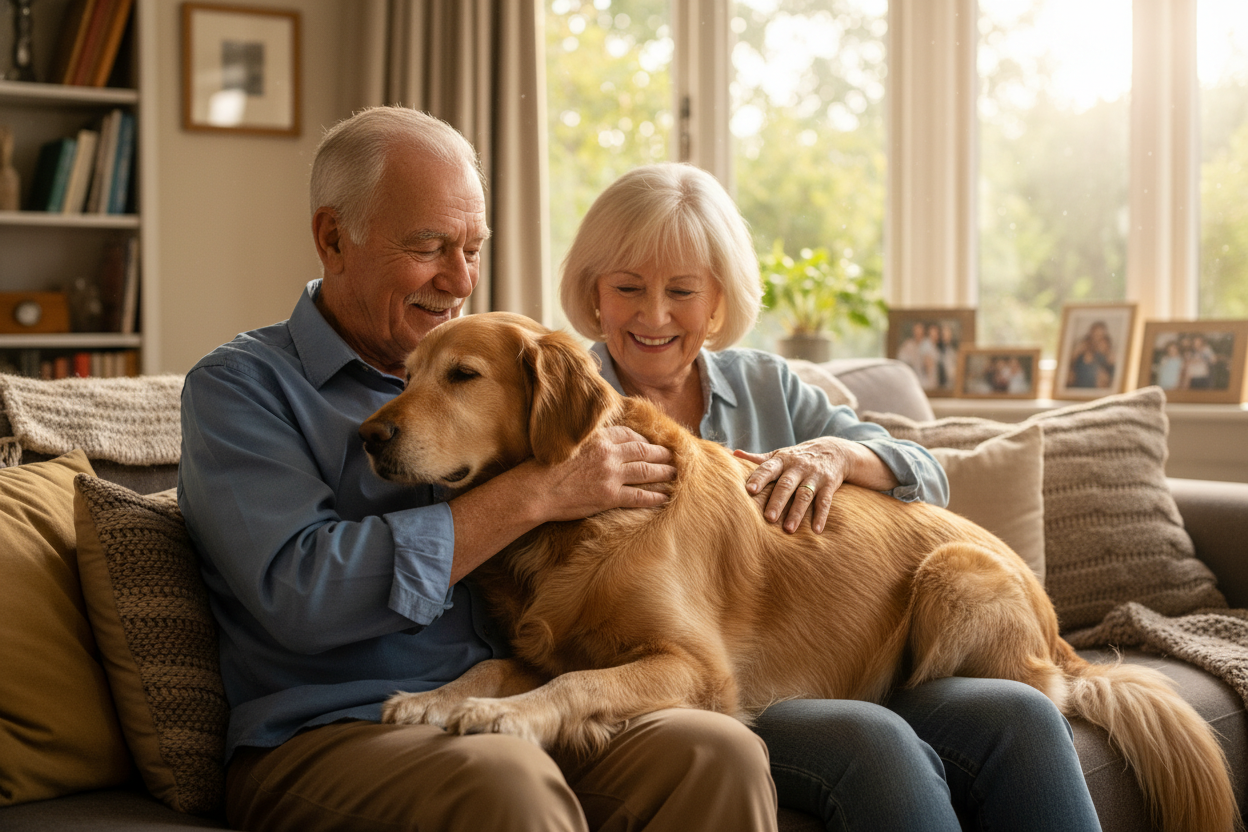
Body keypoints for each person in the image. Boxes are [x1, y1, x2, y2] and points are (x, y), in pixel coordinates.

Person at [178, 108, 779, 832]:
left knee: (717, 752)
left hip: (513, 697)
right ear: (333, 239)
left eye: (472, 249)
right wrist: (533, 495)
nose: (459, 279)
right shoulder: (242, 389)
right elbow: (302, 593)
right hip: (338, 726)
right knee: (506, 781)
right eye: (429, 246)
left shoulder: (495, 362)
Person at [560, 162, 1103, 832]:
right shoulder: (565, 402)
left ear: (718, 298)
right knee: (877, 742)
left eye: (682, 290)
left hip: (849, 661)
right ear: (593, 291)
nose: (654, 315)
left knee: (1023, 715)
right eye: (628, 288)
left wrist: (837, 454)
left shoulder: (766, 385)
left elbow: (924, 475)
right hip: (726, 688)